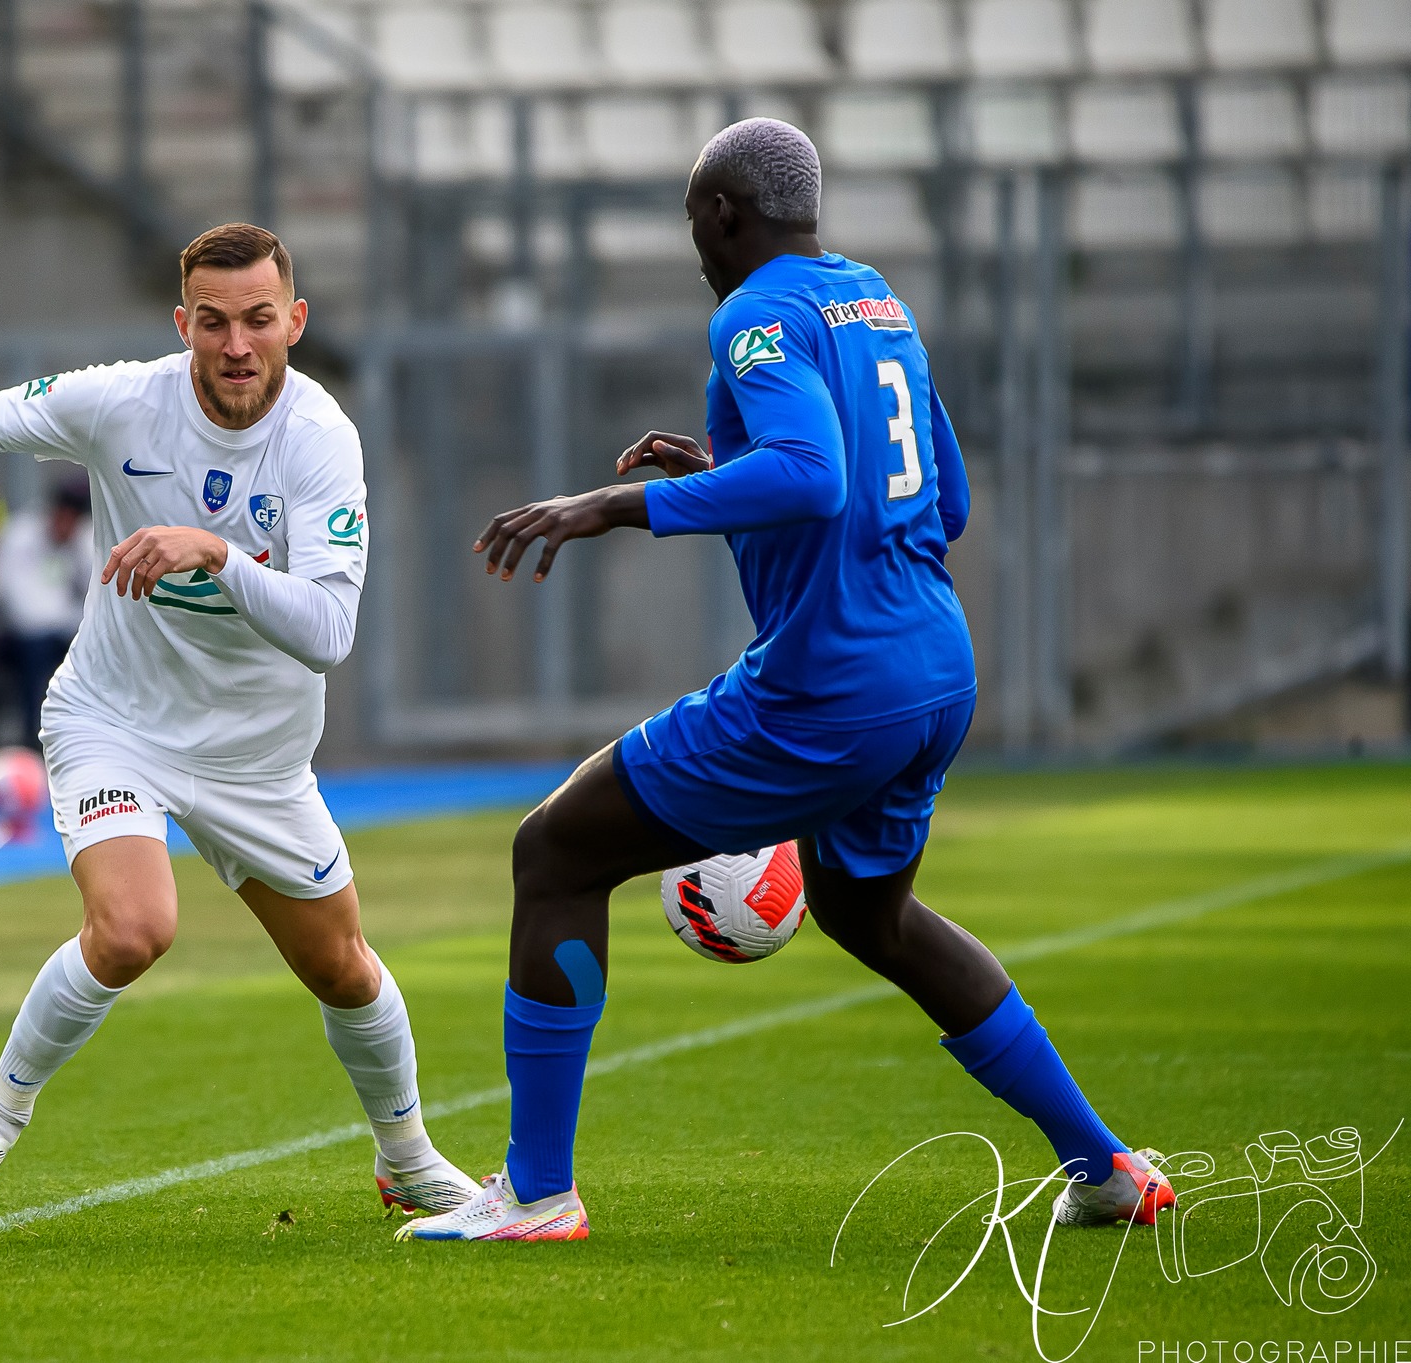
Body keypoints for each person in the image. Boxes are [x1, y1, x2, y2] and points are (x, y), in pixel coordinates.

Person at [401, 120, 1175, 1242]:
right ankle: (1101, 1163)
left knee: (555, 851)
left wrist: (605, 506)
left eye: (693, 226)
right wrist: (727, 472)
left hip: (831, 684)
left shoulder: (753, 314)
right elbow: (938, 500)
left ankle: (534, 1190)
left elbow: (812, 479)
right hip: (935, 668)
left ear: (721, 213)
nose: (696, 250)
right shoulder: (876, 304)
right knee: (872, 912)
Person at [0, 223, 480, 1218]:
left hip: (257, 759)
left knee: (342, 967)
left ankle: (405, 1156)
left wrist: (214, 553)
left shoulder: (321, 438)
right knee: (131, 928)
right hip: (113, 718)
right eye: (213, 322)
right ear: (182, 324)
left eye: (257, 320)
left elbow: (328, 631)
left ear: (293, 320)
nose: (236, 345)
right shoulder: (123, 402)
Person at [0, 480, 92, 720]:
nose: (67, 525)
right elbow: (11, 599)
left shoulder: (84, 540)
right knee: (36, 652)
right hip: (21, 633)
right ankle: (33, 729)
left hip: (66, 630)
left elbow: (94, 592)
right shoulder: (20, 535)